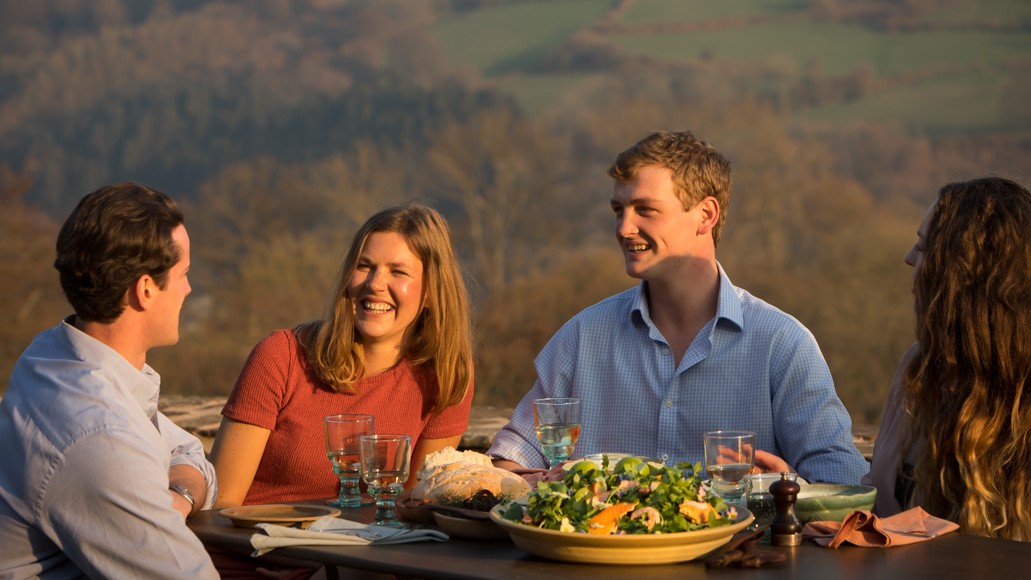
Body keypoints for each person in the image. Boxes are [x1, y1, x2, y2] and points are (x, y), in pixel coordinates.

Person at [488, 130, 867, 484]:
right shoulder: (581, 337)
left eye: (645, 210)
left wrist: (789, 488)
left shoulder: (782, 345)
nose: (624, 228)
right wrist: (538, 486)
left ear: (706, 215)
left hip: (737, 556)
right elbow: (508, 462)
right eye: (619, 210)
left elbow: (844, 486)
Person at [0, 182, 218, 578]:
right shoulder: (100, 438)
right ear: (146, 290)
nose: (188, 288)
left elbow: (188, 452)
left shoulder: (54, 354)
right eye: (184, 273)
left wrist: (176, 497)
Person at [210, 202, 474, 507]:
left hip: (368, 551)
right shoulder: (282, 356)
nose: (375, 284)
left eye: (398, 272)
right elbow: (222, 504)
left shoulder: (446, 375)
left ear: (431, 292)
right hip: (259, 548)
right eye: (365, 266)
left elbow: (414, 506)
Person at [863, 177, 1031, 541]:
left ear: (964, 273)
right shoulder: (917, 369)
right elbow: (878, 505)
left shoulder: (1022, 400)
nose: (908, 258)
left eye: (924, 248)